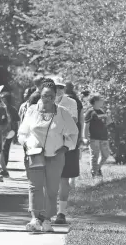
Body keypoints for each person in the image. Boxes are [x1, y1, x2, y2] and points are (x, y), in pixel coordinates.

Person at [18, 80, 79, 232]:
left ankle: (46, 220)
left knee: (51, 189)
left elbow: (74, 133)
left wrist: (66, 147)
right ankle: (34, 219)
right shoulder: (31, 110)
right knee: (35, 187)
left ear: (55, 97)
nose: (48, 99)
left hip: (55, 156)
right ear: (40, 95)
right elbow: (22, 132)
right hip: (34, 155)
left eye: (51, 96)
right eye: (45, 95)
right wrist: (25, 144)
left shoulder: (63, 112)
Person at [50, 77, 80, 225]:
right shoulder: (43, 101)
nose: (59, 90)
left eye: (61, 87)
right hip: (48, 144)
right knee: (48, 179)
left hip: (66, 144)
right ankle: (46, 211)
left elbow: (73, 121)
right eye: (56, 87)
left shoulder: (71, 102)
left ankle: (61, 213)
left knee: (64, 179)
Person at [83, 94, 113, 177]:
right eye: (101, 100)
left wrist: (109, 117)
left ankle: (97, 168)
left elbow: (107, 123)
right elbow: (86, 126)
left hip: (104, 137)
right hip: (93, 138)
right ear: (95, 101)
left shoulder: (102, 111)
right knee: (94, 156)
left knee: (106, 154)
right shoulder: (90, 112)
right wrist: (85, 138)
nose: (103, 101)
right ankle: (94, 173)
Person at [0, 92, 20, 177]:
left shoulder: (12, 109)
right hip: (1, 132)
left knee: (5, 148)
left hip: (10, 132)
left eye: (3, 98)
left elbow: (16, 121)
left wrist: (16, 133)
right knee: (1, 149)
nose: (2, 99)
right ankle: (2, 167)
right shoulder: (0, 108)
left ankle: (4, 166)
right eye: (1, 98)